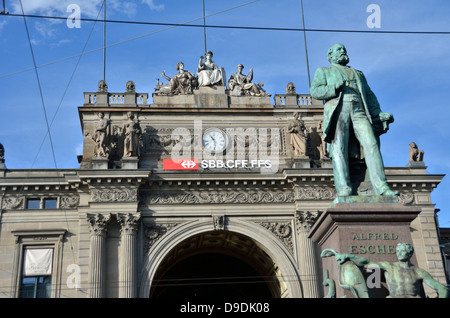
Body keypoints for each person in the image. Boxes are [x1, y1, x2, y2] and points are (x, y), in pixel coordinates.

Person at [310, 43, 398, 196]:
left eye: (344, 49)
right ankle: (344, 188)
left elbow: (369, 95)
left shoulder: (358, 74)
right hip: (339, 107)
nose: (343, 51)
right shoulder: (324, 71)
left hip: (359, 109)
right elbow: (315, 91)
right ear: (330, 56)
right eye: (339, 49)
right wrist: (333, 89)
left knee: (371, 143)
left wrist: (378, 113)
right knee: (339, 147)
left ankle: (382, 187)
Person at [335, 242, 449, 298]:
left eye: (402, 251)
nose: (399, 254)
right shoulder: (390, 266)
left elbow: (442, 288)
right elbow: (366, 263)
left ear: (409, 253)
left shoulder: (419, 272)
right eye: (397, 251)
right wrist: (349, 256)